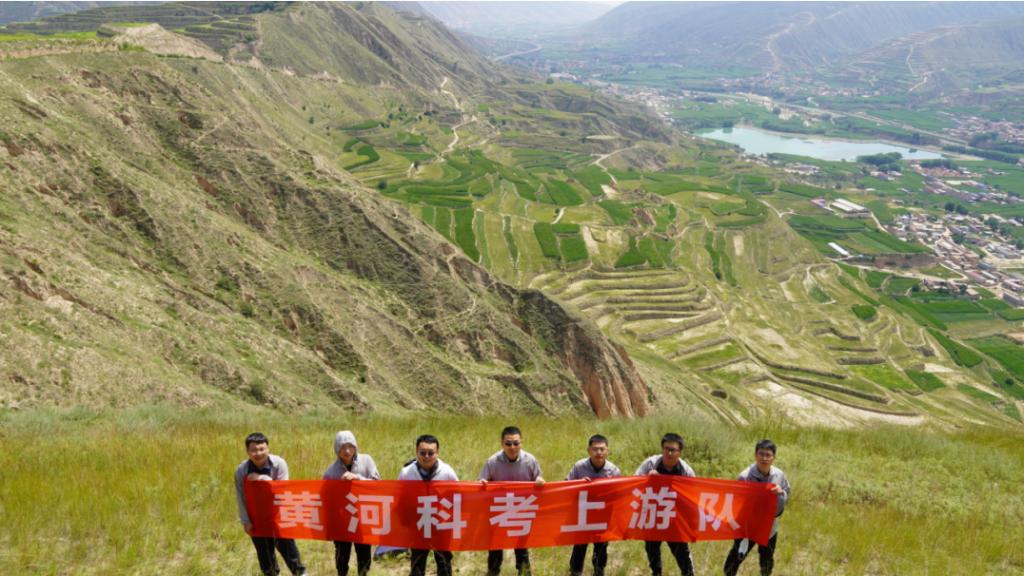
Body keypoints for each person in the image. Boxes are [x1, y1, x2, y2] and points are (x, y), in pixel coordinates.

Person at [234, 432, 307, 576]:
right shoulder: (241, 471)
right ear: (247, 451)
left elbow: (282, 491)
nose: (258, 453)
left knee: (289, 549)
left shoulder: (279, 464)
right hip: (256, 517)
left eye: (262, 449)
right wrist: (246, 521)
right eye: (254, 450)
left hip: (279, 515)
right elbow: (241, 497)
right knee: (265, 555)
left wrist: (262, 478)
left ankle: (300, 573)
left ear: (268, 448)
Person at [478, 425, 546, 575]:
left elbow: (539, 479)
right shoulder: (492, 461)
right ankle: (493, 572)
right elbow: (481, 481)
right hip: (499, 511)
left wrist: (540, 481)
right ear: (502, 444)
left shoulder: (530, 460)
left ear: (521, 443)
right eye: (508, 443)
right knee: (495, 548)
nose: (512, 447)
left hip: (522, 511)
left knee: (521, 549)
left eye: (516, 443)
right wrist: (482, 483)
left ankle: (525, 573)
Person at [722, 440, 791, 576]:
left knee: (767, 560)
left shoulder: (779, 475)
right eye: (761, 454)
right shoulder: (745, 476)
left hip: (769, 527)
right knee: (735, 558)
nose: (764, 458)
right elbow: (735, 501)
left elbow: (787, 492)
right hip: (748, 527)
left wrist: (781, 493)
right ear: (755, 455)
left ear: (774, 457)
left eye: (768, 455)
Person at [635, 433, 697, 576]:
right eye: (666, 449)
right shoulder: (650, 464)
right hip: (653, 514)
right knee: (652, 551)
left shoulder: (686, 470)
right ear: (662, 449)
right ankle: (656, 573)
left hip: (674, 517)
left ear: (680, 452)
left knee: (682, 555)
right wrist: (647, 480)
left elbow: (693, 495)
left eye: (673, 450)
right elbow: (634, 484)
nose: (669, 453)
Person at [398, 434, 459, 576]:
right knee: (417, 560)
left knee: (443, 560)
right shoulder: (407, 472)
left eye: (431, 453)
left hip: (441, 523)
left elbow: (458, 494)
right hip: (419, 522)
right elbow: (400, 496)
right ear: (416, 452)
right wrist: (404, 519)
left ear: (437, 453)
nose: (426, 457)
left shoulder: (447, 472)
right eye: (422, 453)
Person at [324, 430, 381, 576]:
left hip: (362, 517)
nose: (347, 451)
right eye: (343, 447)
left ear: (355, 447)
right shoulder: (331, 472)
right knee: (342, 556)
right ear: (337, 449)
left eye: (350, 446)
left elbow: (378, 485)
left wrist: (358, 478)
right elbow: (326, 499)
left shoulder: (367, 461)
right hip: (342, 520)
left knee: (364, 554)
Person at [566, 434, 621, 576]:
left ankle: (599, 571)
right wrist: (578, 484)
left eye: (602, 449)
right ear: (588, 450)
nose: (599, 452)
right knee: (579, 546)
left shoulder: (613, 470)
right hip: (582, 514)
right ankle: (575, 571)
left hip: (602, 516)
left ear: (607, 451)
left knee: (601, 547)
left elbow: (619, 494)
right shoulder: (579, 467)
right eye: (595, 449)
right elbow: (565, 486)